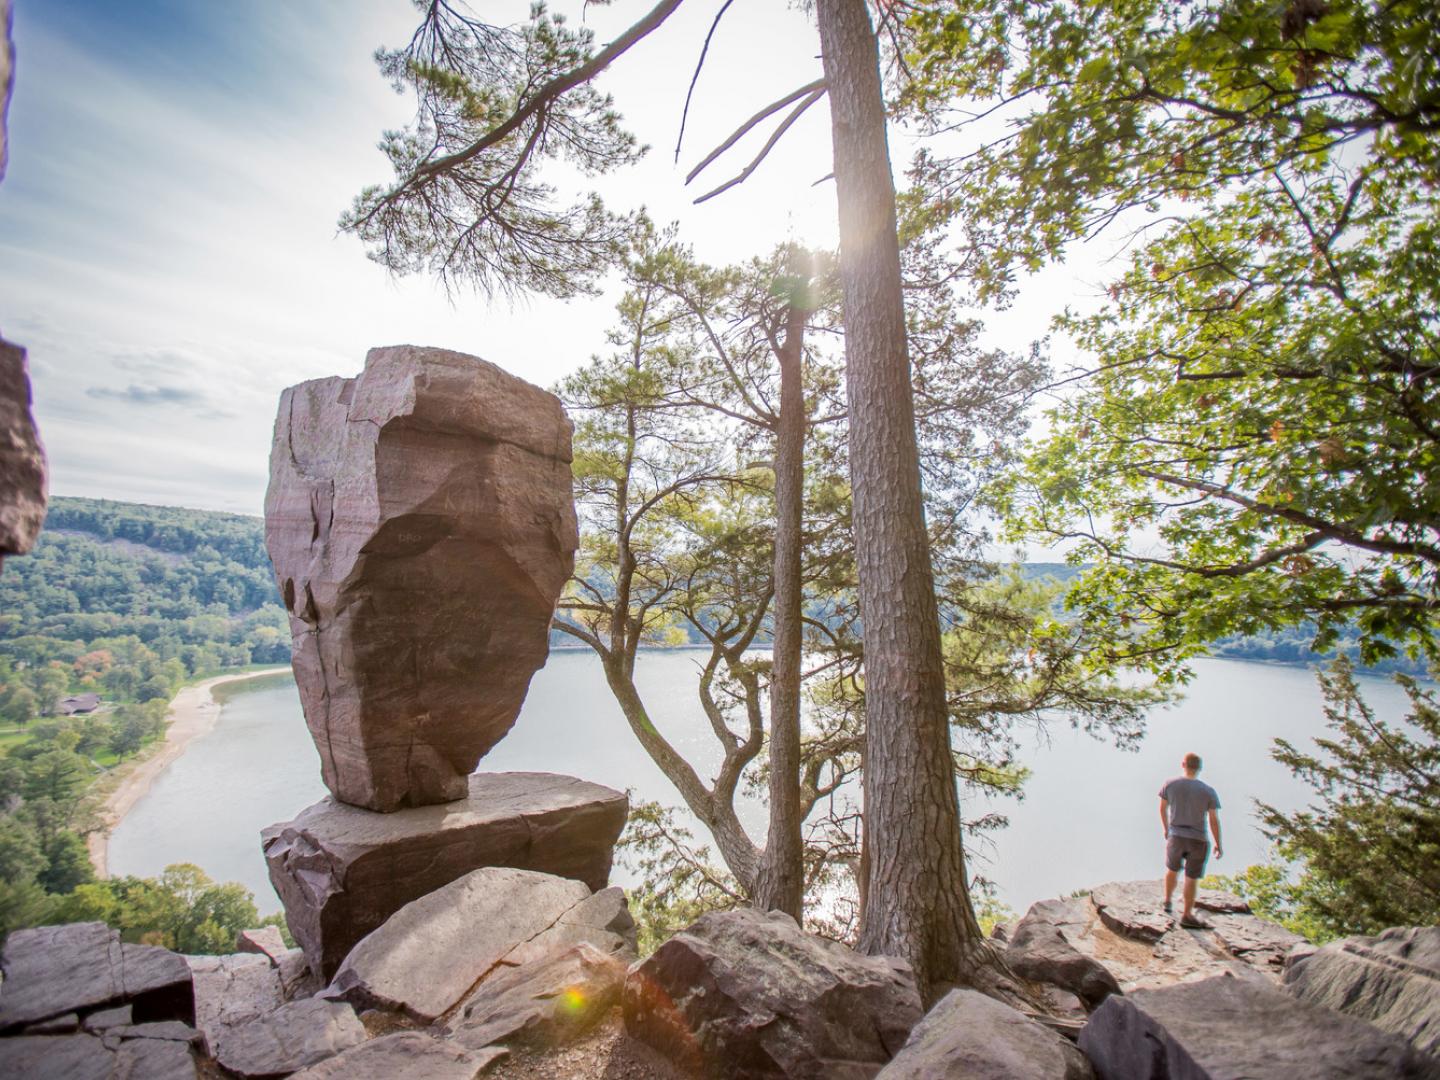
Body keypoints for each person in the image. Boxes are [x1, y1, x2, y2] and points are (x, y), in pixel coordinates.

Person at [1159, 751, 1222, 928]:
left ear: (1183, 764)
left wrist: (1166, 829)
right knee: (1191, 877)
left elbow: (1162, 808)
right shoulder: (1208, 791)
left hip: (1176, 835)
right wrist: (1218, 843)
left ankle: (1167, 901)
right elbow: (1213, 820)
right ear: (1199, 768)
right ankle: (1187, 914)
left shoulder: (1170, 784)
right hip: (1198, 839)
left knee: (1172, 869)